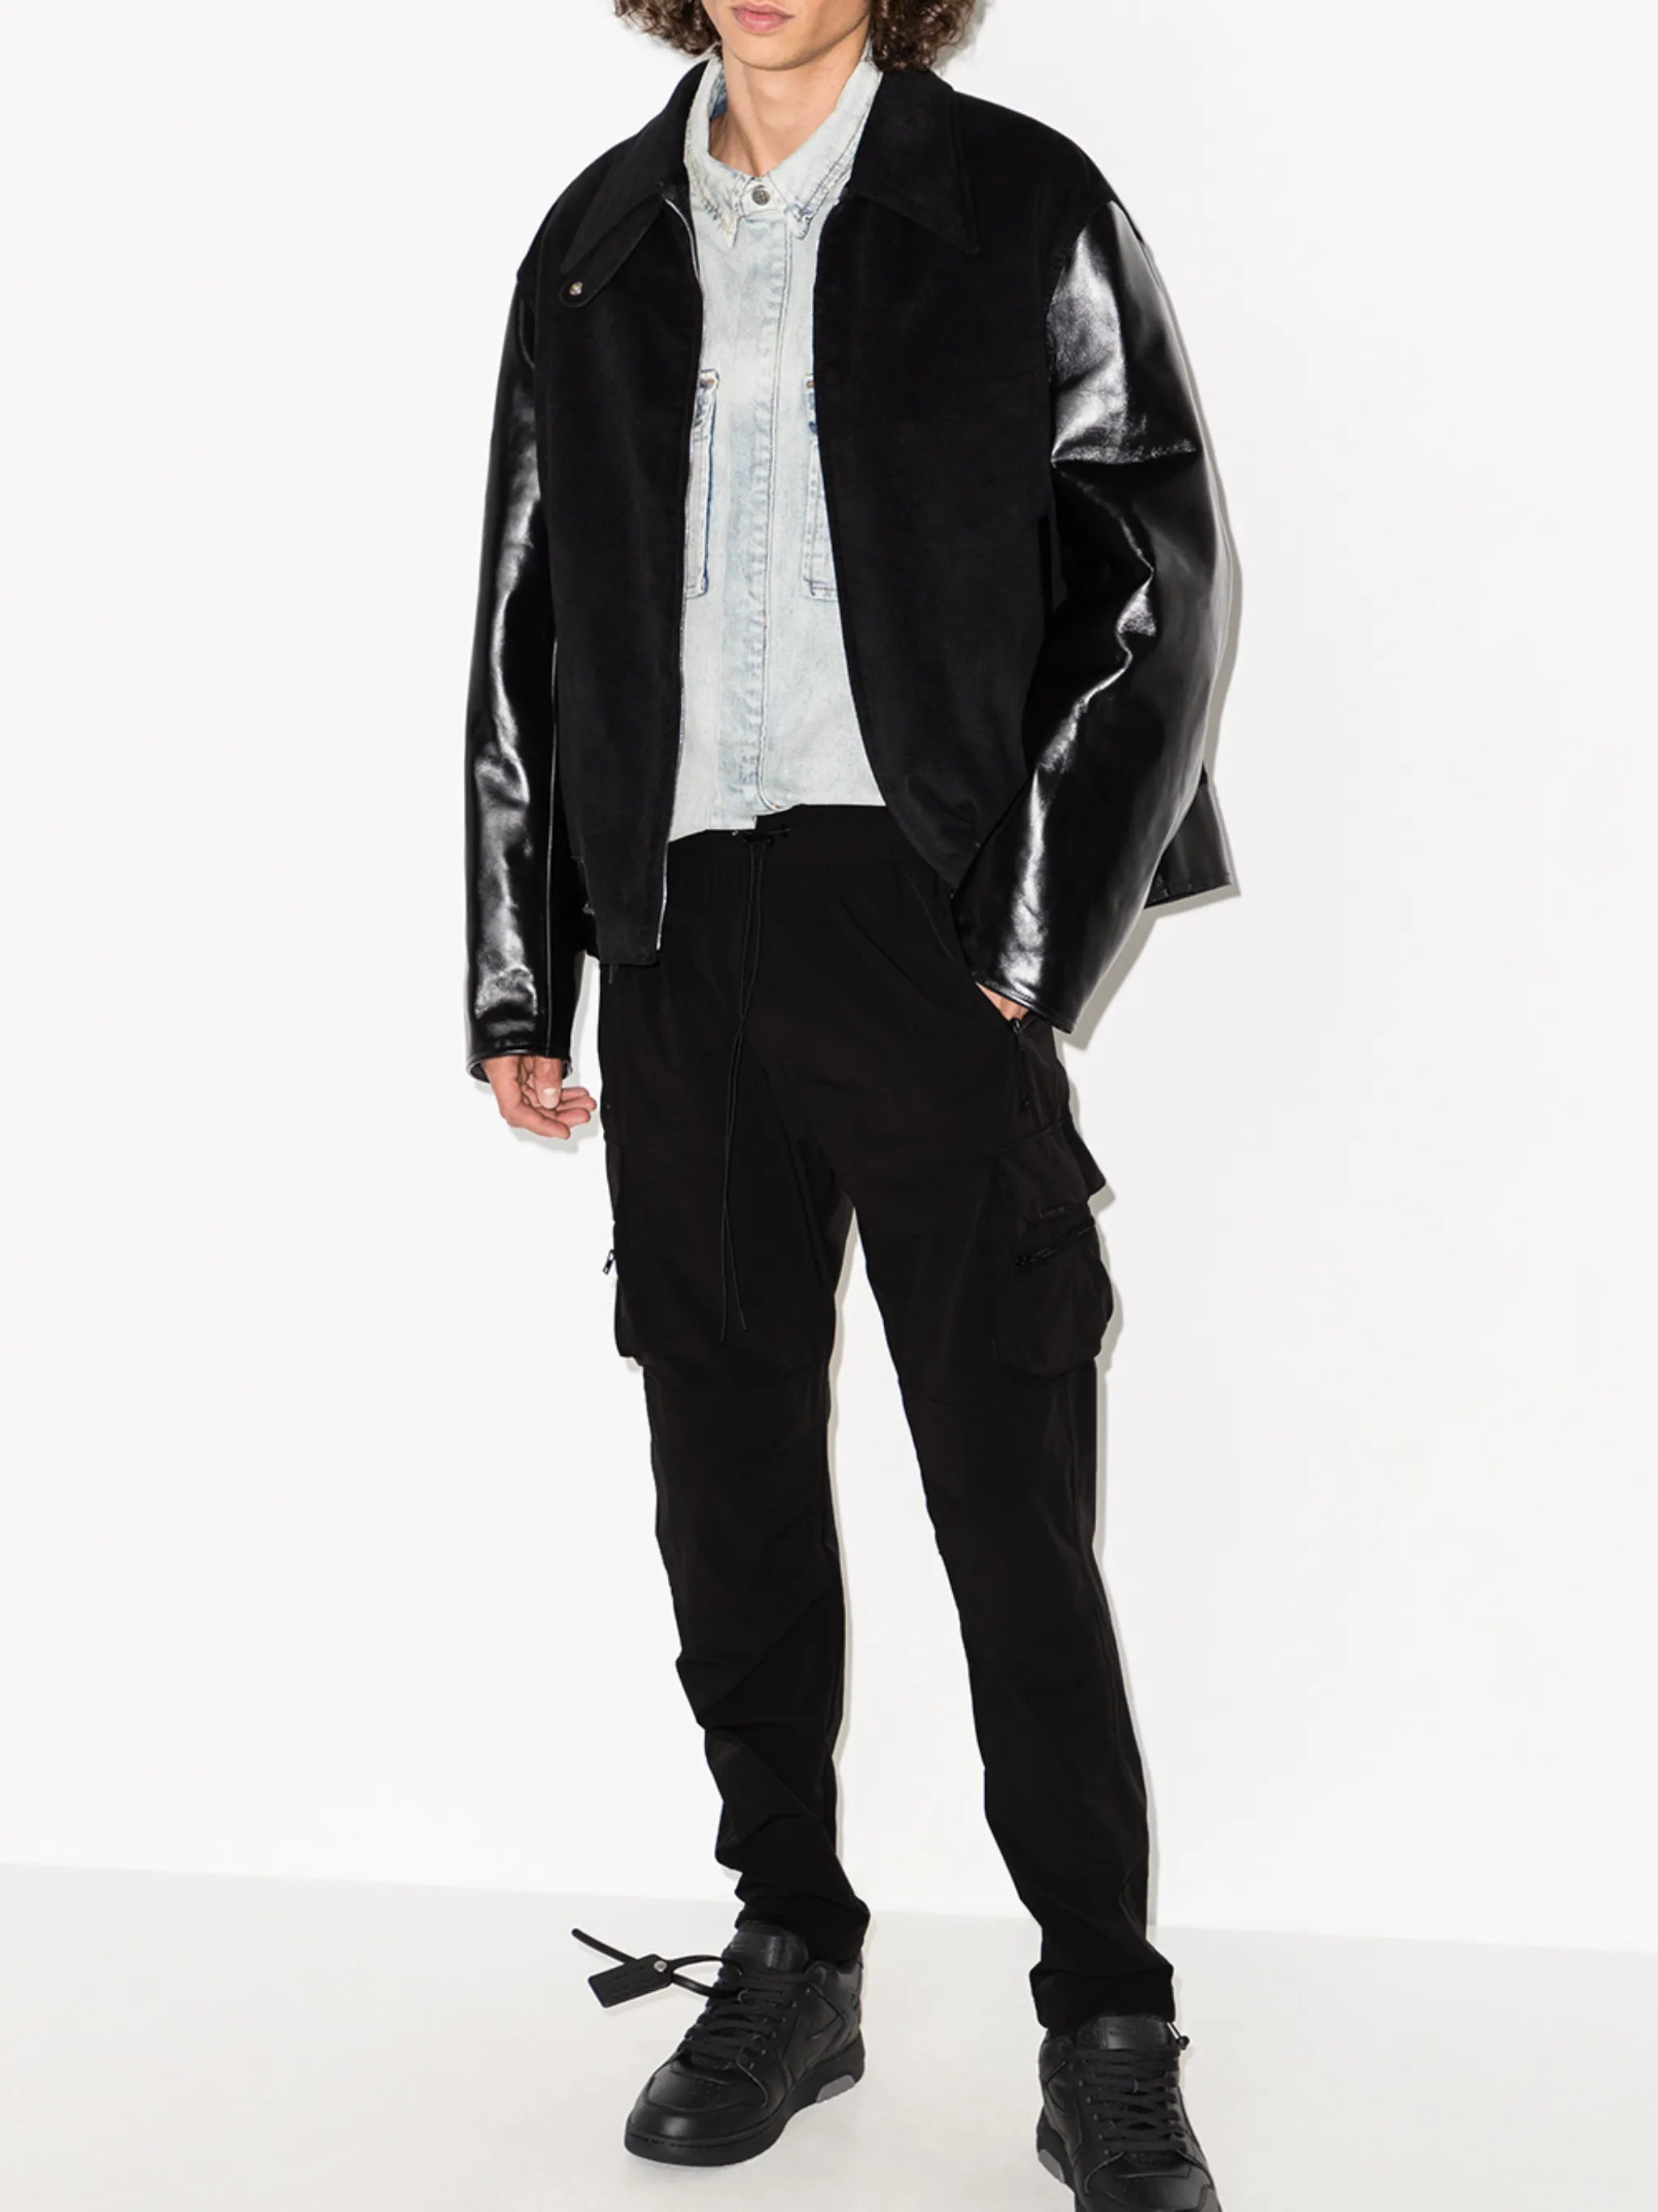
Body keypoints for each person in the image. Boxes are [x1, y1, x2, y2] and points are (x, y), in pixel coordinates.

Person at [463, 2, 1235, 2203]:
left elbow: (1157, 582)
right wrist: (524, 963)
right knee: (723, 1476)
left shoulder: (1019, 204)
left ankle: (1106, 2014)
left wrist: (1020, 937)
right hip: (675, 935)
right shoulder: (600, 240)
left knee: (1008, 1488)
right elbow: (525, 616)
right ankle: (792, 1945)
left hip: (920, 917)